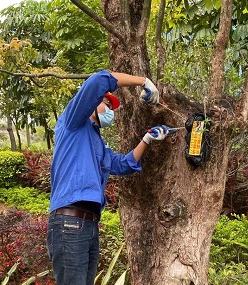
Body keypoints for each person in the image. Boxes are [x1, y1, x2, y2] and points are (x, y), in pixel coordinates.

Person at [47, 69, 171, 285]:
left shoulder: (98, 144)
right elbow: (98, 80)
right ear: (91, 103)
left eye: (113, 106)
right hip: (69, 221)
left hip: (89, 224)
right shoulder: (73, 122)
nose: (111, 109)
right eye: (106, 102)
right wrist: (143, 81)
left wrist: (147, 139)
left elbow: (123, 164)